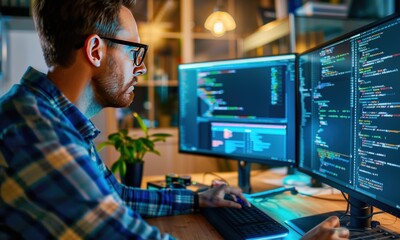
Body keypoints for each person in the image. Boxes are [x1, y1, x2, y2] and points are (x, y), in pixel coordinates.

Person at [0, 0, 349, 239]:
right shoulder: (37, 135)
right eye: (134, 51)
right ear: (95, 50)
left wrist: (200, 199)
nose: (142, 67)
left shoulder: (49, 115)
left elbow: (117, 196)